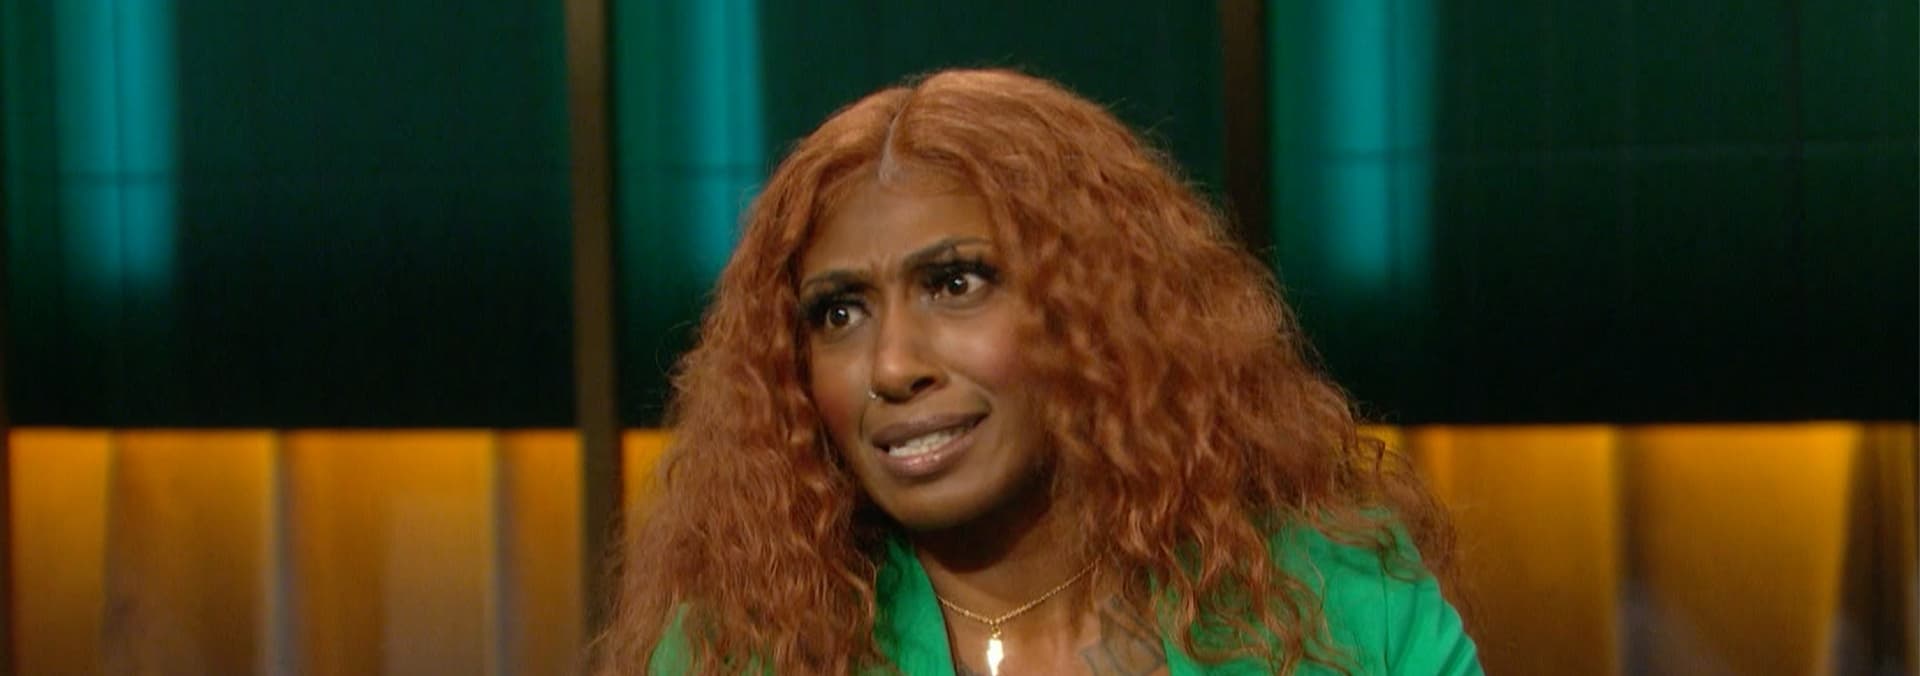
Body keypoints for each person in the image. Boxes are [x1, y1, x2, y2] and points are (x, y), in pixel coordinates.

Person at [595, 68, 1480, 675]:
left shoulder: (1343, 609)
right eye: (839, 313)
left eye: (956, 284)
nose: (892, 365)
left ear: (1098, 309)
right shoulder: (741, 648)